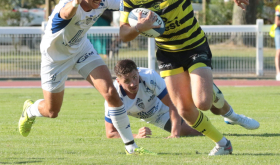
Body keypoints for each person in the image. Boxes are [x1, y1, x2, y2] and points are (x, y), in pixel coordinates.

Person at [119, 0, 249, 155]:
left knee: (203, 103)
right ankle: (223, 144)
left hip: (193, 45)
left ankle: (211, 90)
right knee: (185, 111)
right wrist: (138, 28)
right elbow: (124, 33)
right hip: (168, 53)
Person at [18, 0, 154, 156]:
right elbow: (66, 13)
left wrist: (143, 12)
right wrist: (75, 2)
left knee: (111, 93)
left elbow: (126, 3)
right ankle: (30, 110)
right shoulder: (67, 5)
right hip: (55, 58)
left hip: (81, 49)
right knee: (52, 111)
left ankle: (131, 148)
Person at [105, 60, 259, 139]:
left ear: (138, 72)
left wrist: (174, 134)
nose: (133, 83)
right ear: (118, 81)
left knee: (208, 103)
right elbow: (110, 132)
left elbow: (172, 103)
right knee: (197, 132)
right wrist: (136, 136)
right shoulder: (113, 95)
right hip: (156, 117)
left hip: (173, 99)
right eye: (127, 81)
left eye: (134, 77)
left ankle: (233, 117)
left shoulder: (149, 76)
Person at [274, 4, 280, 80]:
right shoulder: (279, 7)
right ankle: (278, 73)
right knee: (279, 51)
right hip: (279, 31)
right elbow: (277, 23)